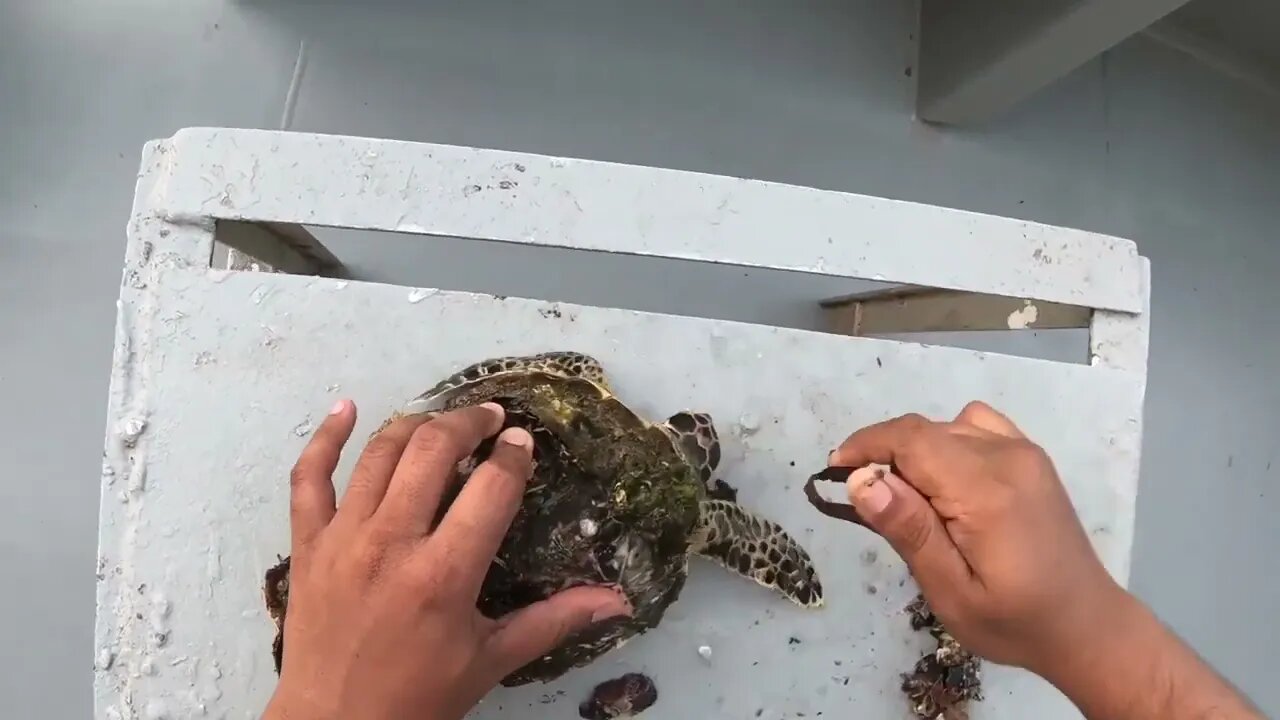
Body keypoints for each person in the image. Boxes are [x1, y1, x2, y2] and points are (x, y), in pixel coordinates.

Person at [262, 399, 1263, 720]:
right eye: (696, 439)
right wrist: (1091, 634)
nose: (696, 435)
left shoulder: (591, 414)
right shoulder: (703, 521)